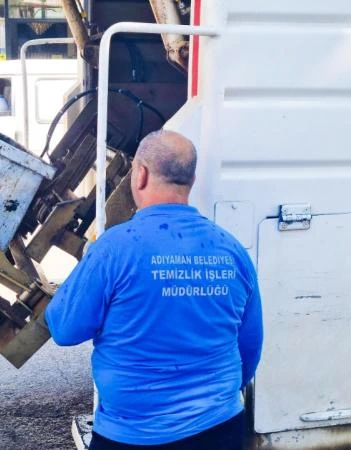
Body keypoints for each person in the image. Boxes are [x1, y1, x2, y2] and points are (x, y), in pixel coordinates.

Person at [45, 130, 263, 450]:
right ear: (190, 179)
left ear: (141, 174)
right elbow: (250, 345)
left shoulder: (113, 249)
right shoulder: (231, 250)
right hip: (219, 427)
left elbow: (64, 329)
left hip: (132, 436)